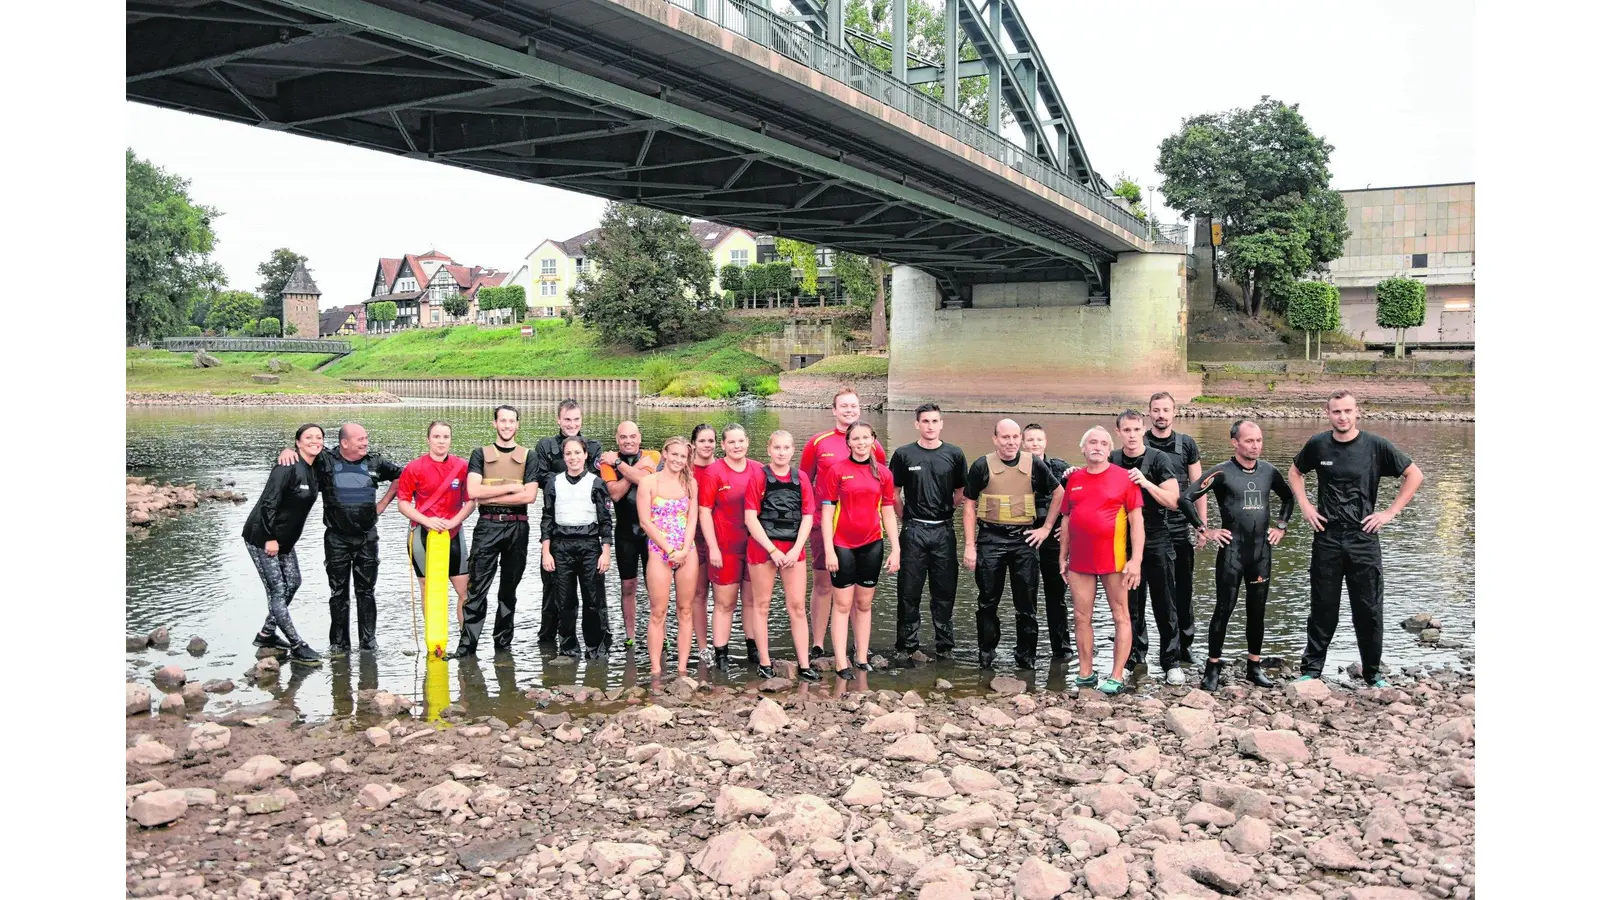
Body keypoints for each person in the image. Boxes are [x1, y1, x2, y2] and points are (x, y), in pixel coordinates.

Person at [1288, 391, 1425, 688]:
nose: (1343, 417)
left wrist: (1390, 512)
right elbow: (1295, 472)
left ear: (1357, 412)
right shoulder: (1318, 444)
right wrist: (1306, 506)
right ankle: (1312, 670)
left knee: (1369, 610)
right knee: (1323, 608)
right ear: (1328, 414)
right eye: (1337, 412)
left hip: (1364, 536)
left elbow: (1414, 475)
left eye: (1348, 411)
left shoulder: (1375, 446)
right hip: (1327, 536)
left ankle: (1373, 674)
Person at [1180, 419, 1294, 690]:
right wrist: (1205, 530)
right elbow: (1186, 498)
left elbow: (1288, 498)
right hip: (1232, 552)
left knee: (1257, 612)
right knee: (1224, 609)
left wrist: (1281, 527)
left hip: (1260, 553)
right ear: (1235, 443)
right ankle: (1212, 668)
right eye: (1249, 441)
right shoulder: (1221, 473)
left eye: (1259, 440)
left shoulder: (1269, 471)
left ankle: (1254, 667)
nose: (1255, 446)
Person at [277, 422, 402, 654]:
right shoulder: (326, 461)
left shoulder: (375, 462)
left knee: (366, 591)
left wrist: (383, 504)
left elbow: (403, 476)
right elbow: (305, 454)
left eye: (366, 438)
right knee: (338, 593)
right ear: (344, 443)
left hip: (367, 537)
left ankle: (368, 643)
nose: (365, 442)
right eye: (360, 439)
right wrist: (288, 451)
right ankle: (339, 644)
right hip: (336, 538)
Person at [962, 418, 1062, 671]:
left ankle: (1026, 657)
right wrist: (970, 546)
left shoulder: (1034, 464)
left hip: (1024, 540)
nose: (1011, 442)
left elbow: (1059, 493)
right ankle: (986, 654)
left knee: (1026, 604)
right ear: (995, 439)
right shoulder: (982, 465)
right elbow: (969, 504)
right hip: (990, 539)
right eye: (1005, 437)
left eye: (1015, 437)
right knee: (987, 602)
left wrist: (1046, 528)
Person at [1109, 410, 1199, 686]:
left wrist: (1146, 482)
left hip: (1157, 537)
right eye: (1127, 430)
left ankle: (1170, 661)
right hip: (1122, 541)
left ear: (1143, 429)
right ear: (1119, 433)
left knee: (1165, 602)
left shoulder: (1157, 458)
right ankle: (1134, 658)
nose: (1132, 435)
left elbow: (1173, 500)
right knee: (1131, 604)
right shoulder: (1112, 459)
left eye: (1137, 430)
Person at [800, 388, 886, 663]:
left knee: (856, 592)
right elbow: (804, 481)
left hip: (861, 529)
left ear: (860, 410)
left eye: (854, 406)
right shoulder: (818, 442)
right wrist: (809, 517)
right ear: (834, 410)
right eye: (844, 406)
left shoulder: (873, 445)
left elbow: (880, 484)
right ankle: (817, 642)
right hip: (824, 525)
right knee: (824, 584)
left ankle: (855, 646)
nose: (849, 410)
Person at [1058, 425, 1145, 695]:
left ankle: (1116, 675)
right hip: (1080, 561)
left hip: (1115, 559)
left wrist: (1136, 560)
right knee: (1081, 617)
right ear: (1083, 449)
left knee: (1121, 616)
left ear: (1110, 449)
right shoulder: (1074, 479)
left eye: (1103, 443)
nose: (1097, 447)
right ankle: (1085, 673)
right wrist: (1063, 556)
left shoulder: (1125, 478)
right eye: (1092, 442)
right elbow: (1067, 519)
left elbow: (1136, 522)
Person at [458, 405, 541, 658]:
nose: (507, 425)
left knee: (509, 589)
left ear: (518, 425)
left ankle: (503, 646)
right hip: (488, 526)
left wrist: (495, 492)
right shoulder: (480, 454)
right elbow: (474, 492)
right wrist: (511, 490)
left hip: (518, 526)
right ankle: (467, 648)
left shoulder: (530, 456)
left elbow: (531, 496)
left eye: (511, 421)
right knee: (477, 589)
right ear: (494, 424)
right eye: (502, 421)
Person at [818, 422, 900, 674]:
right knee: (842, 605)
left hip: (872, 544)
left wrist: (896, 549)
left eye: (866, 438)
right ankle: (842, 661)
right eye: (856, 438)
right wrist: (829, 550)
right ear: (849, 442)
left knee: (864, 604)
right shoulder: (837, 470)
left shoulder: (884, 474)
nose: (861, 443)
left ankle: (862, 657)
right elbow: (826, 513)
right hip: (842, 545)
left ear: (873, 440)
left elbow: (888, 512)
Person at [888, 404, 967, 659]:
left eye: (934, 421)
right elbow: (893, 493)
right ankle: (907, 646)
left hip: (943, 530)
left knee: (944, 591)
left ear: (941, 423)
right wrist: (905, 518)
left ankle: (944, 646)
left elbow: (961, 492)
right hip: (913, 531)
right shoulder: (904, 455)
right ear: (917, 424)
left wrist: (946, 509)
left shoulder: (954, 454)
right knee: (909, 591)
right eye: (925, 421)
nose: (930, 426)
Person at [243, 423, 324, 666]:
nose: (314, 441)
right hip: (262, 537)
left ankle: (266, 634)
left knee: (294, 582)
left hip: (285, 541)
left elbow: (337, 452)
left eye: (318, 437)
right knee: (277, 590)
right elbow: (269, 503)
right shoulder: (286, 467)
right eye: (308, 437)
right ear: (298, 442)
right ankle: (297, 645)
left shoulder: (315, 465)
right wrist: (269, 538)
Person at [745, 430, 820, 681]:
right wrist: (772, 550)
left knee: (797, 606)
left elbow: (808, 515)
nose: (781, 452)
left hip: (793, 550)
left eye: (786, 448)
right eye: (777, 447)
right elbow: (750, 517)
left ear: (792, 451)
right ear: (769, 450)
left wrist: (797, 548)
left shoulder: (800, 478)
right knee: (762, 605)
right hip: (764, 548)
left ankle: (804, 663)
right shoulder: (758, 477)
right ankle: (765, 662)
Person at [395, 421, 476, 655]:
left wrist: (454, 521)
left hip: (453, 533)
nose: (441, 441)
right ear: (428, 439)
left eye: (446, 437)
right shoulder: (414, 467)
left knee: (464, 590)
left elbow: (471, 500)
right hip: (423, 533)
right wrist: (426, 520)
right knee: (428, 588)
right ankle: (435, 640)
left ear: (451, 439)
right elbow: (402, 503)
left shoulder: (462, 466)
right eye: (437, 437)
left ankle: (465, 641)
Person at [532, 399, 604, 645]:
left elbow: (595, 480)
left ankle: (598, 640)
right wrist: (565, 477)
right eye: (567, 419)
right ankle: (549, 638)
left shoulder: (593, 446)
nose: (572, 424)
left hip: (587, 528)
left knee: (593, 593)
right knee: (554, 589)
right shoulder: (545, 446)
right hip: (557, 526)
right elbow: (540, 477)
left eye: (576, 419)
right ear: (558, 420)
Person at [1145, 392, 1206, 662]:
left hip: (1181, 528)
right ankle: (1139, 647)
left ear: (1174, 412)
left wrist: (1200, 525)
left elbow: (1199, 488)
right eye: (1156, 410)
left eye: (1166, 410)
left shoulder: (1187, 444)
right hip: (1146, 529)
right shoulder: (1140, 443)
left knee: (1183, 588)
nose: (1161, 415)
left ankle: (1184, 645)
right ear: (1149, 413)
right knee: (1141, 590)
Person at [540, 435, 613, 658]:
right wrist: (546, 552)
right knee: (565, 600)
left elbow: (605, 520)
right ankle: (568, 647)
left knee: (593, 599)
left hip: (590, 545)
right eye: (568, 454)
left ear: (585, 455)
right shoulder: (554, 482)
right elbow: (547, 519)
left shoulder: (596, 483)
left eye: (577, 453)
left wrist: (606, 551)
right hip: (561, 546)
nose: (573, 458)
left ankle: (596, 647)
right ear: (564, 457)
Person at [698, 423, 763, 672]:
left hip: (754, 546)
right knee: (725, 603)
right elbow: (704, 511)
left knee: (751, 599)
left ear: (747, 442)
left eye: (740, 441)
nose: (737, 446)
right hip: (725, 545)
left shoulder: (758, 469)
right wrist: (712, 547)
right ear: (723, 445)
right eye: (731, 442)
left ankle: (752, 647)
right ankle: (722, 653)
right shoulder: (714, 472)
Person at [637, 437, 700, 678]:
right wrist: (669, 551)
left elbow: (692, 518)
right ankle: (656, 670)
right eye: (674, 455)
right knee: (658, 611)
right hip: (659, 551)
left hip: (686, 550)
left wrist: (683, 549)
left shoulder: (691, 483)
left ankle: (682, 669)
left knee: (685, 610)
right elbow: (645, 521)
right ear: (664, 453)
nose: (677, 460)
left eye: (682, 456)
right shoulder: (648, 482)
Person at [600, 421, 662, 649]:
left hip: (650, 533)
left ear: (640, 437)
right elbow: (615, 494)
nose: (629, 441)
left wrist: (619, 466)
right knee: (628, 586)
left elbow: (647, 483)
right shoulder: (607, 461)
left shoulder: (653, 455)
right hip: (625, 532)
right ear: (617, 439)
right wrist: (632, 470)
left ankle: (660, 633)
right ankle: (631, 635)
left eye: (633, 436)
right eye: (624, 437)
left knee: (655, 584)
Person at [1021, 423, 1075, 662]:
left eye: (1038, 440)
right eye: (1030, 440)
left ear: (1045, 442)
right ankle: (1027, 651)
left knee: (1057, 596)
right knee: (1026, 595)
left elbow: (1078, 499)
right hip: (1025, 537)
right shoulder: (1017, 467)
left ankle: (1062, 650)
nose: (1034, 444)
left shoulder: (1061, 468)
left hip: (1054, 537)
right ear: (1023, 443)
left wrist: (1068, 528)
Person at [686, 424, 719, 661]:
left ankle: (720, 644)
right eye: (702, 441)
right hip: (693, 536)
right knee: (698, 593)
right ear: (694, 444)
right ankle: (702, 646)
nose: (707, 445)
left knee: (721, 595)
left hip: (720, 536)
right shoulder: (686, 469)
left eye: (711, 441)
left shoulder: (722, 467)